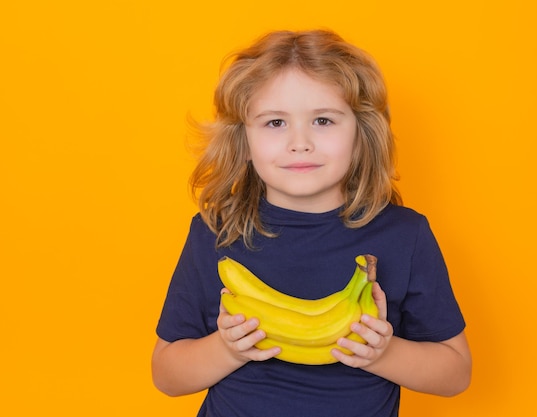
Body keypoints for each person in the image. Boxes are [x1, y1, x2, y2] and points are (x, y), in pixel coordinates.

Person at [152, 29, 471, 417]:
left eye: (323, 120)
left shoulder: (405, 235)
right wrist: (226, 348)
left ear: (360, 135)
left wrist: (383, 353)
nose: (299, 142)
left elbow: (456, 374)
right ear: (244, 141)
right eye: (274, 123)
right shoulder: (215, 232)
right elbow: (166, 375)